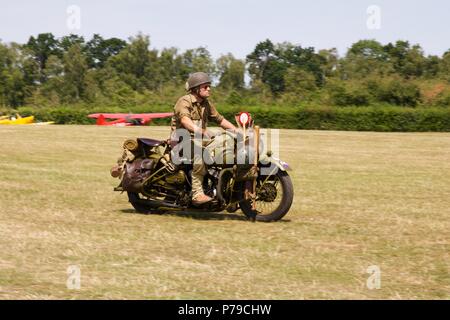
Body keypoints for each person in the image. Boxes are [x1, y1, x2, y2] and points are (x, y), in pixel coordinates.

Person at [170, 72, 238, 205]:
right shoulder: (184, 101)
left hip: (198, 140)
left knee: (226, 145)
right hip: (180, 142)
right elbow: (185, 120)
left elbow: (220, 120)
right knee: (202, 153)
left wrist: (237, 131)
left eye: (209, 86)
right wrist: (199, 130)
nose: (209, 89)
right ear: (196, 89)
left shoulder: (206, 104)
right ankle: (197, 194)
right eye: (205, 87)